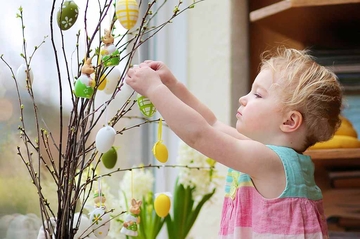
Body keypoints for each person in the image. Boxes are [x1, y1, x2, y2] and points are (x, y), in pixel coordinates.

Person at [125, 47, 342, 238]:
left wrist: (155, 90)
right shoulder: (272, 157)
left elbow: (199, 135)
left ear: (289, 121)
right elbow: (210, 123)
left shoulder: (269, 162)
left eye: (258, 95)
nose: (243, 98)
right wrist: (173, 85)